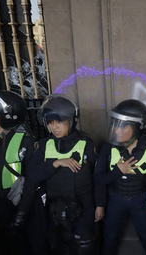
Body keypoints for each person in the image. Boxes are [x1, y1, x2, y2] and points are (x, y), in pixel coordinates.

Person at [27, 94, 98, 255]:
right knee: (59, 246)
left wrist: (99, 205)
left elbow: (97, 177)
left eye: (59, 121)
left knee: (84, 246)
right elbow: (32, 174)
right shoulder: (45, 145)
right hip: (55, 209)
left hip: (83, 206)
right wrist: (56, 163)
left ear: (71, 121)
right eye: (50, 122)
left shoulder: (86, 144)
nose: (54, 127)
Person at [95, 99, 146, 255]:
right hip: (115, 200)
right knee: (109, 238)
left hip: (141, 200)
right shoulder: (108, 148)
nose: (117, 130)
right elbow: (98, 180)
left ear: (138, 128)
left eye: (123, 126)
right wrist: (117, 172)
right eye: (116, 124)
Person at [0, 89, 36, 255]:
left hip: (16, 202)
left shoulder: (26, 142)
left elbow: (32, 181)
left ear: (7, 117)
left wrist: (21, 213)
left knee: (19, 241)